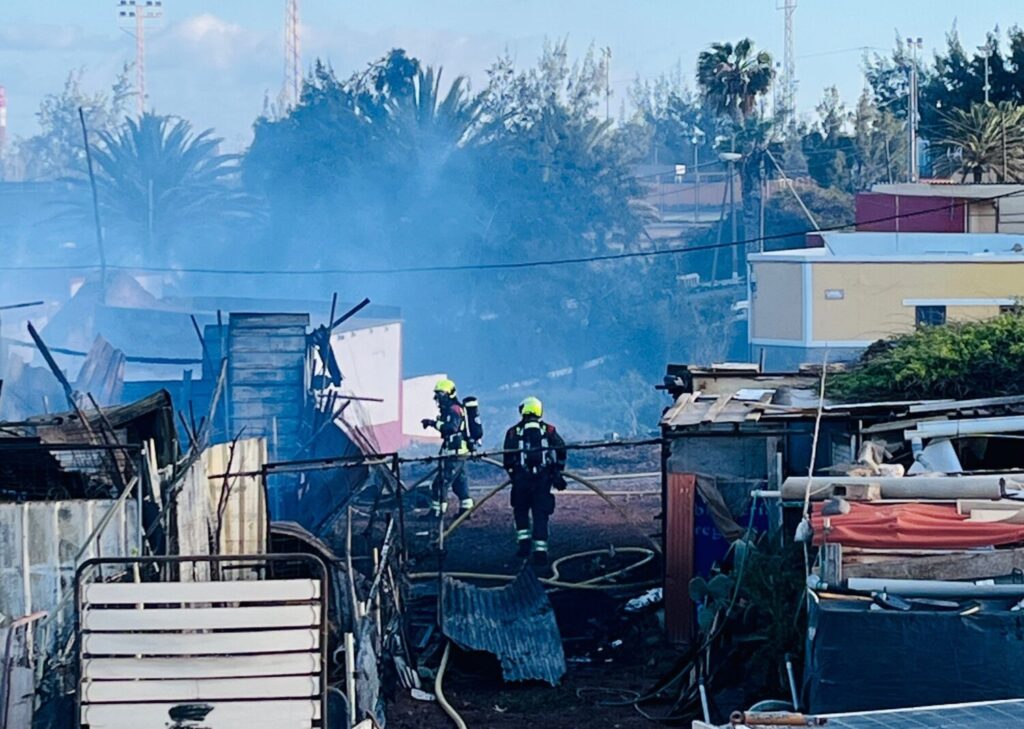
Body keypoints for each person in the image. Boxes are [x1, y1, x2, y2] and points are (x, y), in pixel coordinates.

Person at [502, 396, 567, 566]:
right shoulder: (549, 430)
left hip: (522, 481)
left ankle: (524, 547)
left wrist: (514, 475)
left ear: (523, 410)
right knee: (540, 515)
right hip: (543, 481)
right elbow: (561, 449)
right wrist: (558, 471)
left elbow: (507, 457)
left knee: (521, 512)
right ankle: (540, 552)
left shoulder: (513, 432)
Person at [422, 378, 474, 518]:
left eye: (441, 395)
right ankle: (466, 510)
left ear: (449, 394)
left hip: (455, 453)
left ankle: (437, 512)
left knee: (440, 483)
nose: (438, 398)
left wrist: (433, 423)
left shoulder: (454, 410)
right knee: (460, 483)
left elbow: (451, 427)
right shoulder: (451, 409)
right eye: (437, 395)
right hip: (457, 452)